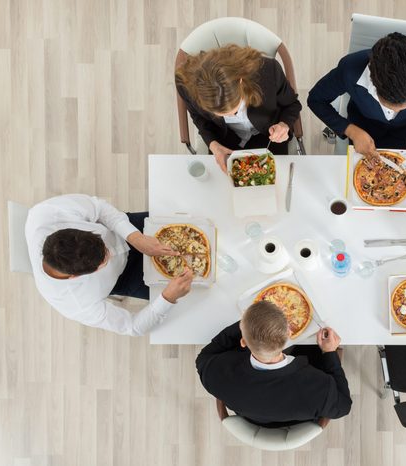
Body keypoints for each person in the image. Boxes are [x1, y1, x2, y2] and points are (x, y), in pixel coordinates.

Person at [25, 194, 194, 336]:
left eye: (104, 246)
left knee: (193, 220)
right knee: (192, 294)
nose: (111, 252)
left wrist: (136, 238)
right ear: (74, 276)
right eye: (104, 261)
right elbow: (133, 327)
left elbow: (100, 208)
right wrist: (168, 297)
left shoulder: (48, 213)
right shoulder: (75, 303)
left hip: (123, 231)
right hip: (125, 277)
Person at [196, 301, 352, 427]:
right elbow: (344, 406)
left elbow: (204, 357)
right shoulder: (318, 390)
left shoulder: (216, 374)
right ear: (289, 334)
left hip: (253, 414)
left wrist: (251, 324)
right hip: (296, 415)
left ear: (243, 342)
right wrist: (330, 352)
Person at [307, 32, 406, 161]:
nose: (395, 112)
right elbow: (316, 100)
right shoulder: (349, 70)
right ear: (374, 81)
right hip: (364, 128)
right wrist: (351, 131)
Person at [175, 45, 303, 173]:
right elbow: (199, 118)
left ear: (241, 82)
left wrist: (284, 125)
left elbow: (292, 104)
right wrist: (214, 145)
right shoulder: (187, 86)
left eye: (234, 111)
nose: (231, 117)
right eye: (221, 115)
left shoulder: (269, 71)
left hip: (268, 137)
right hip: (224, 141)